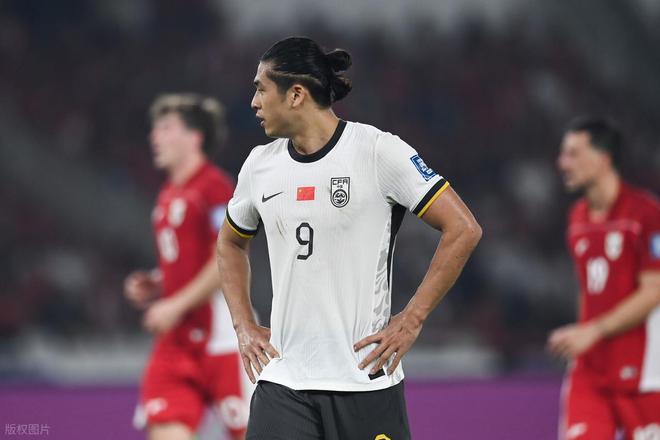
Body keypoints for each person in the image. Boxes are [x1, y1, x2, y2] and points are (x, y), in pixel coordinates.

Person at [215, 37, 482, 440]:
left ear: (296, 95)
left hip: (364, 380)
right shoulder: (260, 166)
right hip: (284, 382)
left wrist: (412, 318)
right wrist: (243, 325)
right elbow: (230, 242)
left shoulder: (378, 152)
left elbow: (463, 228)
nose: (253, 102)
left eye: (261, 89)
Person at [124, 94, 253, 440]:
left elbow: (226, 259)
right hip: (176, 343)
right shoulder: (168, 194)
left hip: (222, 340)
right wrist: (158, 282)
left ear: (195, 137)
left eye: (166, 128)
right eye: (155, 129)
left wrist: (175, 305)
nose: (154, 137)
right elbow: (188, 262)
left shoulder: (215, 188)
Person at [548, 116, 660, 440]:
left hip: (645, 374)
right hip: (591, 371)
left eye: (573, 154)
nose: (563, 163)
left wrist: (593, 331)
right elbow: (588, 290)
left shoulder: (646, 214)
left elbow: (654, 290)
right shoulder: (577, 218)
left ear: (603, 158)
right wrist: (581, 335)